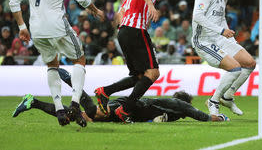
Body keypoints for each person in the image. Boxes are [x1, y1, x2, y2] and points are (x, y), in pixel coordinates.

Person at [9, 0, 104, 127]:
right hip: (57, 26)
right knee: (80, 59)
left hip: (36, 29)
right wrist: (95, 10)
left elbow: (13, 1)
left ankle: (60, 109)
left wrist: (22, 27)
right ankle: (76, 104)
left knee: (52, 65)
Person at [94, 0, 168, 123]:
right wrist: (151, 6)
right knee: (153, 73)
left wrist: (143, 17)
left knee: (139, 76)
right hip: (135, 30)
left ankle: (105, 91)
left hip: (124, 32)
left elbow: (119, 12)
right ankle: (125, 109)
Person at [12, 69, 229, 123]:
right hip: (125, 106)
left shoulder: (167, 109)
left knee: (77, 116)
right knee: (91, 113)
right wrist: (218, 118)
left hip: (127, 110)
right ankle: (70, 79)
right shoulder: (176, 104)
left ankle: (33, 102)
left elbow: (156, 119)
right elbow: (197, 114)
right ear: (183, 102)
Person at [192, 0, 256, 116]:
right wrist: (222, 31)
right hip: (204, 41)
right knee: (235, 68)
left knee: (249, 63)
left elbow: (221, 20)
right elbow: (197, 16)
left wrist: (230, 38)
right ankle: (213, 101)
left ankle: (227, 97)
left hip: (219, 38)